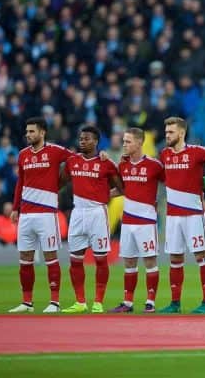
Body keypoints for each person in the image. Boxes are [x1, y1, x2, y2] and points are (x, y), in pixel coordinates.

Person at [8, 117, 75, 313]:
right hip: (26, 214)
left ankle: (54, 302)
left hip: (47, 214)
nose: (28, 135)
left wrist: (61, 181)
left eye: (31, 132)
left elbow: (75, 161)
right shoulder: (23, 155)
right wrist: (15, 208)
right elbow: (21, 182)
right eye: (27, 132)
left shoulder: (54, 151)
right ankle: (26, 302)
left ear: (42, 132)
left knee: (51, 257)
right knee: (25, 258)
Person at [60, 126, 122, 314]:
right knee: (75, 259)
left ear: (95, 142)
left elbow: (122, 188)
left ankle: (98, 302)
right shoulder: (72, 161)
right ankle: (80, 302)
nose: (82, 141)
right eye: (80, 138)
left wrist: (105, 195)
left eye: (86, 138)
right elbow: (60, 183)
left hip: (97, 213)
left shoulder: (106, 163)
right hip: (78, 213)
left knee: (100, 259)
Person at [159, 117, 205, 314]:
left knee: (201, 256)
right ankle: (175, 303)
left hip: (193, 215)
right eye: (166, 132)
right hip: (173, 216)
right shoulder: (164, 154)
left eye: (171, 132)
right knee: (175, 258)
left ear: (181, 133)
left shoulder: (198, 152)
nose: (167, 135)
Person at [109, 128, 164, 313]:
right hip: (128, 222)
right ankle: (128, 302)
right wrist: (102, 195)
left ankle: (150, 302)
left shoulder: (154, 166)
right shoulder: (122, 165)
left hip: (146, 222)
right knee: (129, 262)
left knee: (150, 262)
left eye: (128, 141)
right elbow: (123, 189)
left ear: (140, 143)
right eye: (124, 141)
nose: (124, 144)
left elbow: (170, 183)